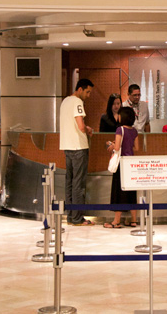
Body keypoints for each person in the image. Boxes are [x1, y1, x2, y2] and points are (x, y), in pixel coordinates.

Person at [59, 78, 95, 226]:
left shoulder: (65, 101)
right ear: (79, 89)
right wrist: (88, 129)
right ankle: (78, 218)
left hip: (67, 146)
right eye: (87, 92)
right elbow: (80, 125)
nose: (88, 95)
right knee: (78, 183)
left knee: (69, 182)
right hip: (78, 146)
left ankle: (70, 216)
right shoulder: (77, 102)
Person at [104, 107, 139, 228]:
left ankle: (116, 221)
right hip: (131, 163)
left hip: (121, 164)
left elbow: (117, 148)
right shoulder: (134, 131)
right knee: (131, 191)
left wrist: (111, 144)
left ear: (122, 116)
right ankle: (134, 220)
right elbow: (137, 148)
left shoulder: (120, 130)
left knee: (118, 191)